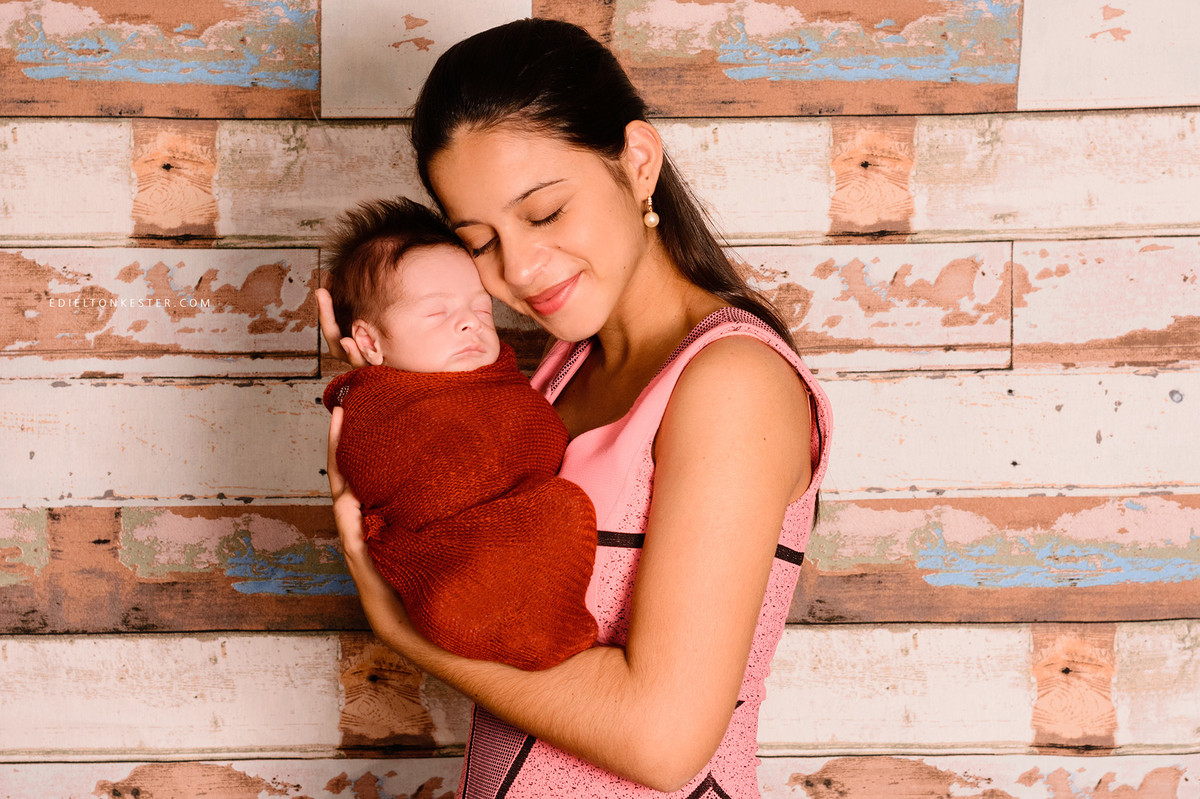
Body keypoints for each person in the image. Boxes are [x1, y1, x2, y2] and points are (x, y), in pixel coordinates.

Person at [317, 18, 832, 798]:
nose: (518, 267)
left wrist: (404, 631)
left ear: (637, 161)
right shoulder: (559, 370)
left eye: (546, 212)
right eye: (479, 242)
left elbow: (664, 742)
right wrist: (385, 378)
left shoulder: (733, 381)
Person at [322, 196, 598, 671]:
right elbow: (382, 470)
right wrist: (375, 388)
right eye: (436, 314)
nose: (471, 322)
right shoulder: (373, 405)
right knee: (557, 509)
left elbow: (537, 434)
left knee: (560, 509)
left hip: (515, 537)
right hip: (441, 546)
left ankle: (516, 615)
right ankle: (456, 596)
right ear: (369, 342)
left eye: (482, 311)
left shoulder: (505, 377)